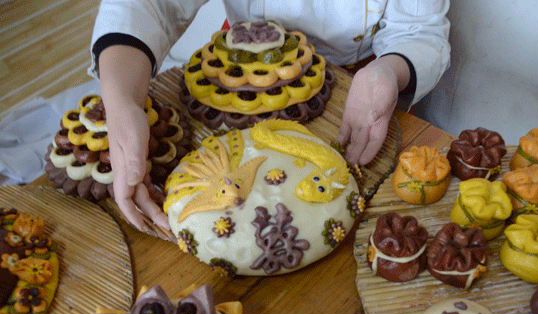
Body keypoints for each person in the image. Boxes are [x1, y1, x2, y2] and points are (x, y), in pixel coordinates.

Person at [89, 0, 450, 231]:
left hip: (364, 87)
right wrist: (121, 98)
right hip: (237, 71)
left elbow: (420, 30)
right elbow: (149, 5)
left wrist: (390, 70)